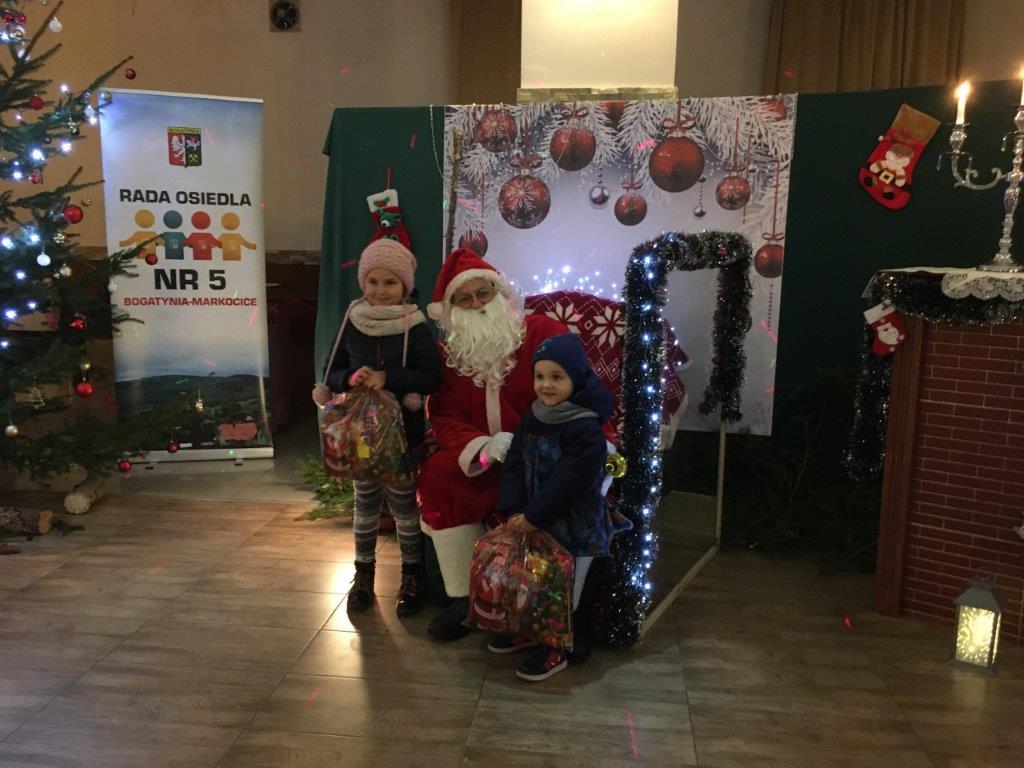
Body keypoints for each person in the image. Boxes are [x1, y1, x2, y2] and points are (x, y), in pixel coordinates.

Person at [418, 248, 566, 641]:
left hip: (538, 455)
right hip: (484, 462)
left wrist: (537, 442)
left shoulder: (542, 332)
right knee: (437, 476)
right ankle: (462, 600)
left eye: (483, 293)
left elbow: (575, 390)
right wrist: (481, 446)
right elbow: (443, 416)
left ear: (500, 294)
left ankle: (541, 604)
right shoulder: (449, 356)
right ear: (452, 310)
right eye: (464, 299)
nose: (477, 304)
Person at [313, 238, 441, 615]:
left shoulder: (416, 326)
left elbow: (432, 377)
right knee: (365, 504)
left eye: (390, 282)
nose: (380, 290)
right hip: (361, 436)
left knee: (404, 507)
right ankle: (363, 576)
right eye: (373, 281)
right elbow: (331, 372)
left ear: (405, 286)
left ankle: (412, 576)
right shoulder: (352, 321)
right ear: (362, 282)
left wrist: (391, 378)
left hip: (402, 436)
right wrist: (350, 378)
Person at [491, 333, 624, 681]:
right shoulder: (535, 416)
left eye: (556, 377)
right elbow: (515, 461)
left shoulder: (584, 426)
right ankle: (530, 631)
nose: (546, 385)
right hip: (535, 518)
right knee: (532, 579)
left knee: (564, 588)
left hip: (573, 526)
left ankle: (556, 647)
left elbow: (570, 480)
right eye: (540, 376)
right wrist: (514, 508)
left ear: (575, 378)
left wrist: (534, 514)